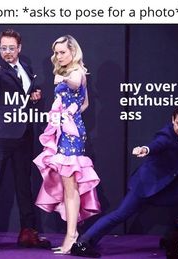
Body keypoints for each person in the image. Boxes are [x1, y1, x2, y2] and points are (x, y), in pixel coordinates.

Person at [71, 106, 178, 258]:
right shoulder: (166, 136)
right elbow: (156, 145)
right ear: (172, 120)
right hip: (145, 186)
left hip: (163, 189)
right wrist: (145, 149)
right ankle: (82, 243)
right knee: (119, 215)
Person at [0, 29, 51, 252]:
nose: (8, 52)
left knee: (24, 185)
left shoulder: (26, 68)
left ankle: (28, 232)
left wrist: (35, 94)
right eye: (4, 48)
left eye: (12, 48)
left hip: (23, 134)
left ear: (19, 48)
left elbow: (24, 95)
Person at [33, 35, 101, 255]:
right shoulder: (65, 71)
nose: (58, 56)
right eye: (56, 52)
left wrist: (62, 82)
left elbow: (74, 83)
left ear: (73, 51)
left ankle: (71, 236)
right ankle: (71, 234)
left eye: (62, 52)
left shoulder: (77, 72)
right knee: (67, 186)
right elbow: (86, 102)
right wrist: (67, 115)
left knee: (70, 186)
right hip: (65, 130)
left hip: (71, 135)